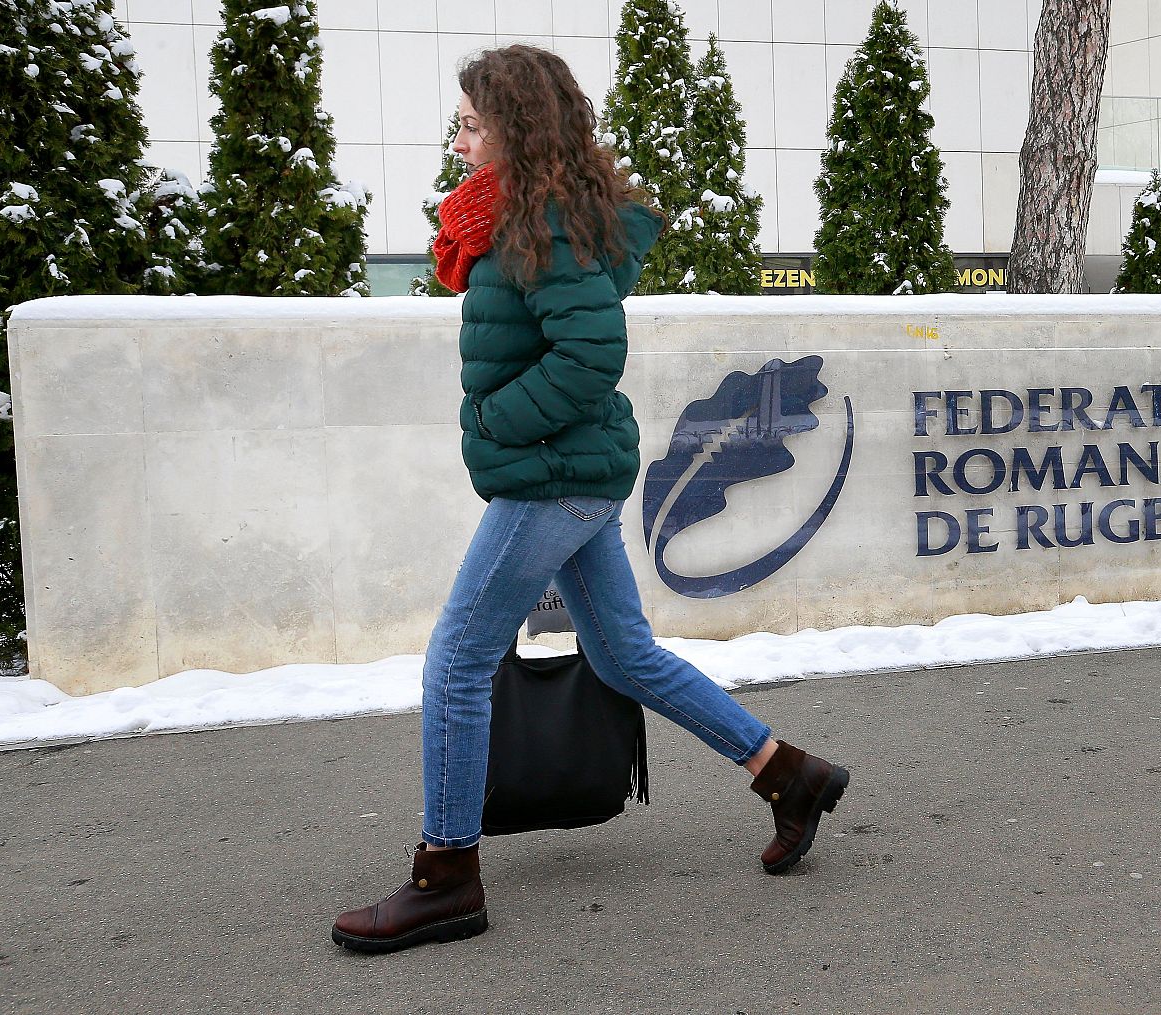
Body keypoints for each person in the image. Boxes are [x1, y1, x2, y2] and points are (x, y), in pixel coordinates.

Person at [330, 46, 850, 955]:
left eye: (471, 124)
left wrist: (498, 421)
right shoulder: (519, 217)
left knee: (456, 660)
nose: (457, 140)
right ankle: (786, 771)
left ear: (515, 128)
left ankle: (446, 875)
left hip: (556, 475)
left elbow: (588, 358)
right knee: (623, 656)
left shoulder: (549, 224)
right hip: (573, 469)